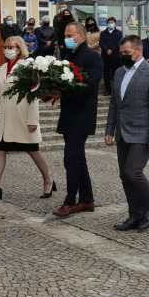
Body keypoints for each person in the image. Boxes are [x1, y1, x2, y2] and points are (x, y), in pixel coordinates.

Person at [0, 36, 56, 201]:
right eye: (5, 47)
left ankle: (48, 178)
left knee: (32, 150)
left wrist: (32, 120)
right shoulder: (2, 68)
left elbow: (34, 94)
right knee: (0, 150)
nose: (8, 49)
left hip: (23, 116)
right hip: (7, 118)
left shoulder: (28, 66)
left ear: (20, 48)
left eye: (11, 46)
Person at [105, 35, 149, 231]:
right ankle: (134, 214)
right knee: (125, 175)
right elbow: (115, 104)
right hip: (123, 132)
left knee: (134, 172)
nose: (122, 56)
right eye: (121, 52)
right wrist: (109, 129)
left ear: (138, 51)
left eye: (126, 53)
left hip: (142, 132)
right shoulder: (119, 72)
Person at [53, 22, 103, 218]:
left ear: (81, 36)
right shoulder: (67, 56)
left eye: (70, 34)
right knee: (78, 158)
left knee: (71, 158)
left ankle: (70, 201)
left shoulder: (92, 56)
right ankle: (87, 199)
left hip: (82, 115)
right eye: (65, 34)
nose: (67, 38)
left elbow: (91, 84)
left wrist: (68, 87)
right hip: (68, 114)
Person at [99, 16, 123, 96]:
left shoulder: (119, 33)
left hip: (115, 56)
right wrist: (106, 50)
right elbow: (101, 43)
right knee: (106, 74)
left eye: (112, 22)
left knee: (115, 73)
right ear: (107, 24)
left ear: (115, 24)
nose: (111, 24)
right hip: (105, 56)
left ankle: (115, 90)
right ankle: (107, 90)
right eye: (109, 23)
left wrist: (112, 49)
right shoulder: (103, 33)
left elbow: (119, 43)